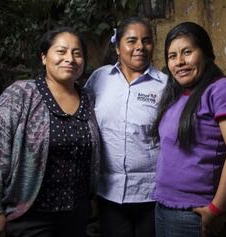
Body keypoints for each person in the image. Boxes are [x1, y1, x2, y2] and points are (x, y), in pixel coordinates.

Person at [0, 27, 101, 237]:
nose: (70, 59)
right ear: (44, 57)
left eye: (77, 53)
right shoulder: (20, 95)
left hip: (77, 215)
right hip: (30, 216)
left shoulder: (88, 98)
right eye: (61, 52)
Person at [151, 22, 226, 237]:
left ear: (205, 53)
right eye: (172, 56)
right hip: (163, 205)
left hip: (194, 212)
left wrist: (216, 209)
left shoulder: (223, 89)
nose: (180, 62)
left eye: (187, 52)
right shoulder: (176, 95)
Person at [85, 17, 167, 237]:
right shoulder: (98, 79)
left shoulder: (165, 85)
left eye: (146, 40)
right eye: (132, 40)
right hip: (108, 192)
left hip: (151, 193)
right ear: (117, 46)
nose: (140, 46)